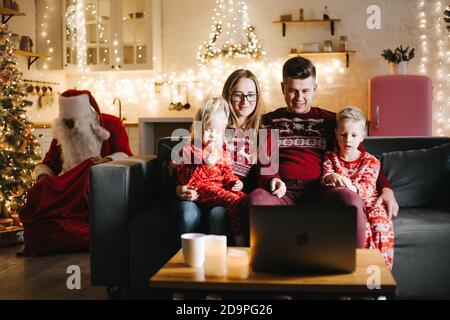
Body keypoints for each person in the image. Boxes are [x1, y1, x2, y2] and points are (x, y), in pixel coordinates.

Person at [245, 56, 399, 248]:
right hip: (281, 194)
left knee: (349, 198)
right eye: (292, 90)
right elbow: (264, 163)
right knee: (256, 198)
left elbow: (361, 157)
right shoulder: (268, 121)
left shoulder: (330, 121)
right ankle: (268, 267)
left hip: (320, 192)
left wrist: (386, 189)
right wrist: (271, 180)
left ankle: (359, 268)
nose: (299, 98)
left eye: (305, 91)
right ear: (283, 87)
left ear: (315, 89)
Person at [19, 90, 133, 256]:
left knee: (64, 232)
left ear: (86, 117)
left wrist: (106, 162)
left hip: (99, 189)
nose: (70, 126)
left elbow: (126, 155)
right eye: (66, 122)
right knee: (39, 219)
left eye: (73, 122)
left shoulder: (110, 124)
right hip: (68, 192)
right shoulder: (63, 131)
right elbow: (49, 164)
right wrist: (43, 179)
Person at [171, 69, 264, 239]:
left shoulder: (262, 133)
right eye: (238, 94)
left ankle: (224, 259)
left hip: (227, 195)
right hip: (197, 191)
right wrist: (177, 188)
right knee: (188, 212)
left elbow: (264, 177)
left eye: (251, 94)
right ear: (228, 96)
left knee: (218, 216)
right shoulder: (213, 124)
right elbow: (177, 164)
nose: (245, 101)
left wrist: (239, 186)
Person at [321, 107, 394, 269]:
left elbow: (368, 187)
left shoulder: (371, 161)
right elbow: (325, 175)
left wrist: (351, 188)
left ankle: (381, 278)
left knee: (381, 226)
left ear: (362, 136)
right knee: (364, 230)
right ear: (335, 134)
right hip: (348, 206)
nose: (348, 140)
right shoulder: (330, 157)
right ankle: (361, 275)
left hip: (370, 203)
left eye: (354, 135)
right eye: (343, 134)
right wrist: (330, 177)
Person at [174, 96, 246, 240]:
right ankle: (239, 238)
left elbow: (227, 174)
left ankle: (235, 237)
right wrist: (205, 163)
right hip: (198, 191)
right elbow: (184, 177)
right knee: (234, 200)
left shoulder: (223, 152)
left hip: (215, 193)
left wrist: (235, 182)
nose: (213, 135)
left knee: (242, 198)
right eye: (209, 130)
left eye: (218, 131)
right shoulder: (190, 149)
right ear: (199, 128)